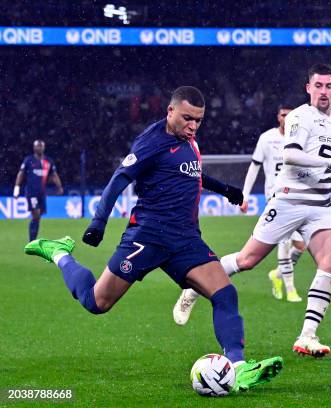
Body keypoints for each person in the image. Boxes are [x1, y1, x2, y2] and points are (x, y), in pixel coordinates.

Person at [24, 86, 283, 392]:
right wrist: (98, 222)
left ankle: (238, 368)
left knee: (225, 294)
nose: (193, 125)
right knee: (97, 302)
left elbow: (193, 174)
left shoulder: (188, 140)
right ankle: (59, 254)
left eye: (199, 120)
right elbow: (119, 178)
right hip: (147, 237)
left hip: (186, 240)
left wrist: (225, 189)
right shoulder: (151, 141)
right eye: (187, 118)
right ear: (170, 111)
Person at [217, 63, 331, 358]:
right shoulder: (299, 116)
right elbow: (291, 154)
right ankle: (197, 284)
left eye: (328, 86)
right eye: (318, 86)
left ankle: (307, 336)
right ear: (308, 88)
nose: (323, 91)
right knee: (247, 260)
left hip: (320, 206)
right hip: (289, 201)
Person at [173, 106, 306, 326]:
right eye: (283, 114)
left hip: (305, 200)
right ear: (278, 116)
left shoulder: (305, 135)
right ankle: (290, 290)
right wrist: (242, 194)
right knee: (251, 258)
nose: (287, 118)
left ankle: (280, 279)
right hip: (279, 199)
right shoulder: (268, 138)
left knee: (303, 247)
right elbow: (254, 167)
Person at [13, 140, 64, 241]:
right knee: (36, 214)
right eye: (37, 146)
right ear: (34, 147)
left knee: (38, 217)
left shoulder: (48, 161)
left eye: (41, 146)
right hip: (31, 192)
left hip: (42, 193)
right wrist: (16, 188)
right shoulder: (28, 160)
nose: (39, 148)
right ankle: (31, 241)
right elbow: (21, 173)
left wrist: (59, 186)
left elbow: (54, 175)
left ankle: (33, 240)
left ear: (43, 148)